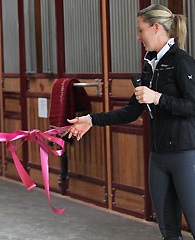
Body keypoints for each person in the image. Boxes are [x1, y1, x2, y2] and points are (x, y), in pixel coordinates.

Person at [67, 4, 195, 240]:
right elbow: (130, 111)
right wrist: (91, 120)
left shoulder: (183, 62)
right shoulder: (149, 67)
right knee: (168, 231)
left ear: (156, 28)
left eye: (140, 30)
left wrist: (158, 98)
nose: (138, 37)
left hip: (185, 156)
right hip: (158, 158)